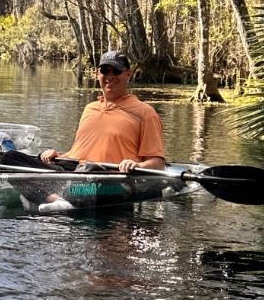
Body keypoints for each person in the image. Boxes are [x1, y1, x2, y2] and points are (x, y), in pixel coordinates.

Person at [34, 50, 166, 211]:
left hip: (115, 183)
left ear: (128, 74)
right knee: (12, 158)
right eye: (105, 71)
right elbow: (79, 152)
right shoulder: (90, 108)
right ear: (97, 74)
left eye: (116, 71)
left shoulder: (145, 113)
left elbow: (158, 165)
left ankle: (54, 196)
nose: (110, 76)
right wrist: (58, 155)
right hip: (76, 172)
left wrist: (136, 164)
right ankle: (60, 199)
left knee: (89, 170)